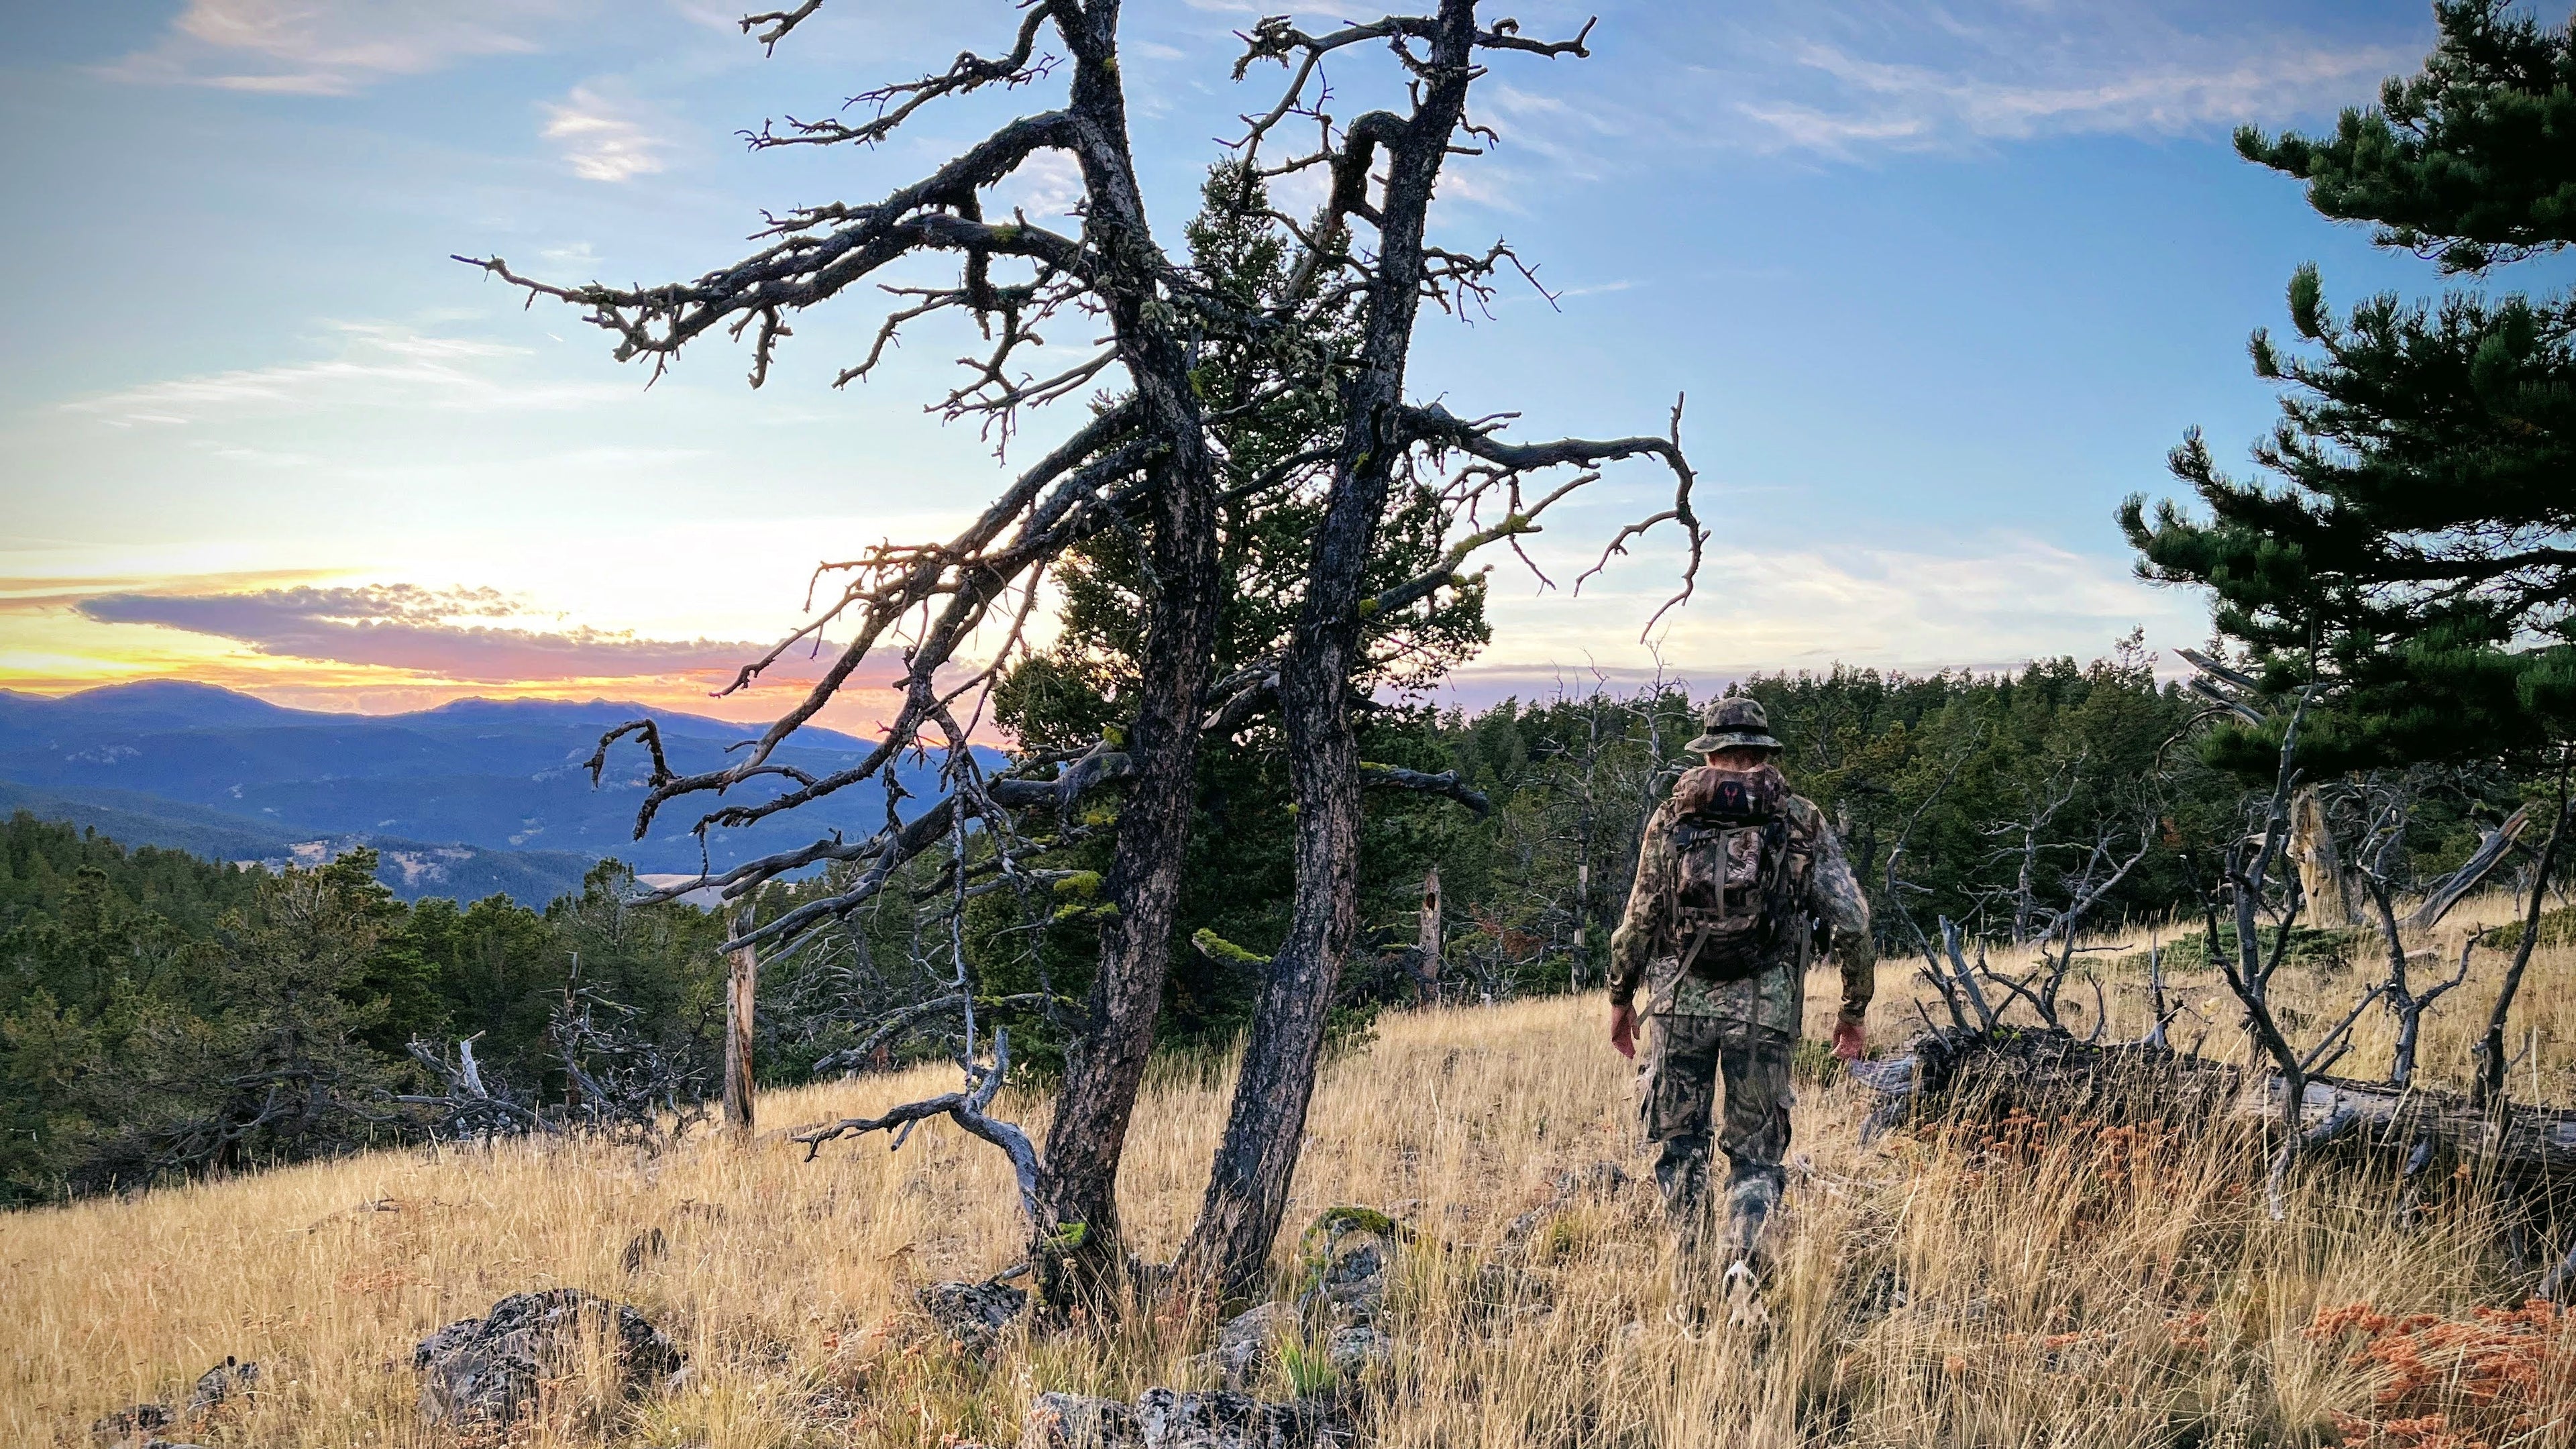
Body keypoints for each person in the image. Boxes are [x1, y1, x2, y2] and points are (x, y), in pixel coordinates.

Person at [1605, 696, 1875, 1321]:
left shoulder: (1671, 818)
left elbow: (1638, 919)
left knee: (1680, 1149)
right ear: (1763, 750)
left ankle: (1690, 1285)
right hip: (1766, 1008)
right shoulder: (1799, 818)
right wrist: (1853, 1009)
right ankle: (1743, 1266)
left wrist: (1621, 998)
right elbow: (1852, 923)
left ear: (1710, 750)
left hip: (1678, 1008)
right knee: (1756, 1155)